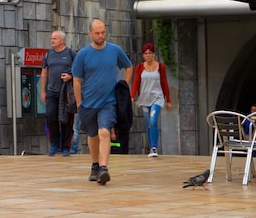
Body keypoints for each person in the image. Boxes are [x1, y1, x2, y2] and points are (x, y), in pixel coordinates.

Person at [72, 19, 132, 186]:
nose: (101, 36)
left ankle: (104, 168)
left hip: (109, 101)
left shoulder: (115, 50)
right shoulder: (82, 55)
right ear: (90, 34)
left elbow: (128, 66)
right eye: (97, 33)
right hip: (88, 103)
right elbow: (76, 80)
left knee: (104, 132)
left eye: (103, 32)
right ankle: (95, 165)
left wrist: (124, 87)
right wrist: (79, 103)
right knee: (92, 135)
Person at [131, 42, 172, 158]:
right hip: (144, 98)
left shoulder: (160, 67)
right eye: (145, 53)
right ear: (143, 55)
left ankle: (154, 147)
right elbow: (135, 82)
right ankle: (151, 147)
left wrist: (168, 100)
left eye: (150, 53)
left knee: (153, 120)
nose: (148, 55)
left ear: (153, 54)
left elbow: (164, 83)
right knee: (149, 123)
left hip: (157, 98)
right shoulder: (139, 67)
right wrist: (132, 95)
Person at [40, 30, 76, 156]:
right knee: (51, 117)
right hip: (52, 91)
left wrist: (70, 77)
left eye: (55, 38)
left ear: (62, 40)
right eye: (51, 38)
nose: (52, 41)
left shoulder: (71, 53)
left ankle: (66, 146)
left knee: (67, 119)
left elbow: (78, 71)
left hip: (66, 92)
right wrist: (43, 91)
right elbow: (44, 72)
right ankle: (55, 145)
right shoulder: (48, 54)